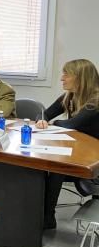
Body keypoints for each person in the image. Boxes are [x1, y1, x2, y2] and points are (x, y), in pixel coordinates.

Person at [35, 59, 99, 229]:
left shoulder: (95, 101)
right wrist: (42, 120)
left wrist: (51, 123)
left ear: (80, 78)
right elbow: (43, 113)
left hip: (93, 160)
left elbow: (71, 125)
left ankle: (48, 217)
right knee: (44, 165)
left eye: (66, 74)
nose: (62, 78)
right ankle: (39, 213)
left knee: (57, 168)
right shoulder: (69, 96)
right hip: (78, 151)